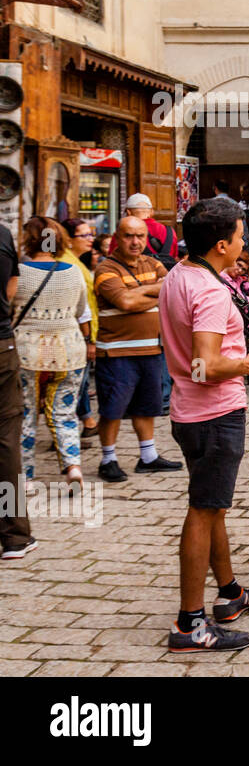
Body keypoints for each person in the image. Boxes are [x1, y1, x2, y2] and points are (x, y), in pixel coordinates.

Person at [159, 198, 249, 653]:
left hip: (191, 411)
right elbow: (204, 363)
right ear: (222, 244)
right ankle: (190, 623)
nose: (245, 242)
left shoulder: (180, 275)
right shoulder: (208, 291)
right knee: (203, 510)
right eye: (241, 236)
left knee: (214, 507)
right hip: (212, 413)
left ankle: (229, 594)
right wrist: (247, 365)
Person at [92, 215, 179, 483]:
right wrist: (153, 293)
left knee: (147, 406)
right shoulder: (106, 268)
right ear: (117, 237)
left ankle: (148, 456)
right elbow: (125, 302)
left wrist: (140, 292)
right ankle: (108, 459)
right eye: (129, 235)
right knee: (112, 408)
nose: (135, 241)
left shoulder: (152, 263)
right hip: (116, 351)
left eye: (140, 236)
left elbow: (171, 291)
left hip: (151, 350)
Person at [14, 217, 90, 485]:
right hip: (69, 349)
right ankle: (73, 467)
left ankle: (25, 476)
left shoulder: (19, 272)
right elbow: (81, 311)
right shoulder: (74, 272)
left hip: (27, 351)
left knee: (25, 413)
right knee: (63, 411)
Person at [0, 223, 36, 560]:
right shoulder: (2, 233)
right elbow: (12, 285)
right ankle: (14, 535)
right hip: (1, 345)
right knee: (6, 441)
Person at [60, 218, 99, 438]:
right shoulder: (70, 264)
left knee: (79, 381)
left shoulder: (76, 261)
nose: (90, 238)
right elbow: (81, 307)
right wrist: (88, 340)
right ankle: (74, 427)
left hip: (81, 332)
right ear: (68, 239)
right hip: (77, 334)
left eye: (90, 234)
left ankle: (85, 421)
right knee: (77, 382)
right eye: (84, 235)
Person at [124, 193, 179, 265]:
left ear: (128, 212)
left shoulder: (124, 232)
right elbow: (174, 256)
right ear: (151, 212)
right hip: (166, 274)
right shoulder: (170, 231)